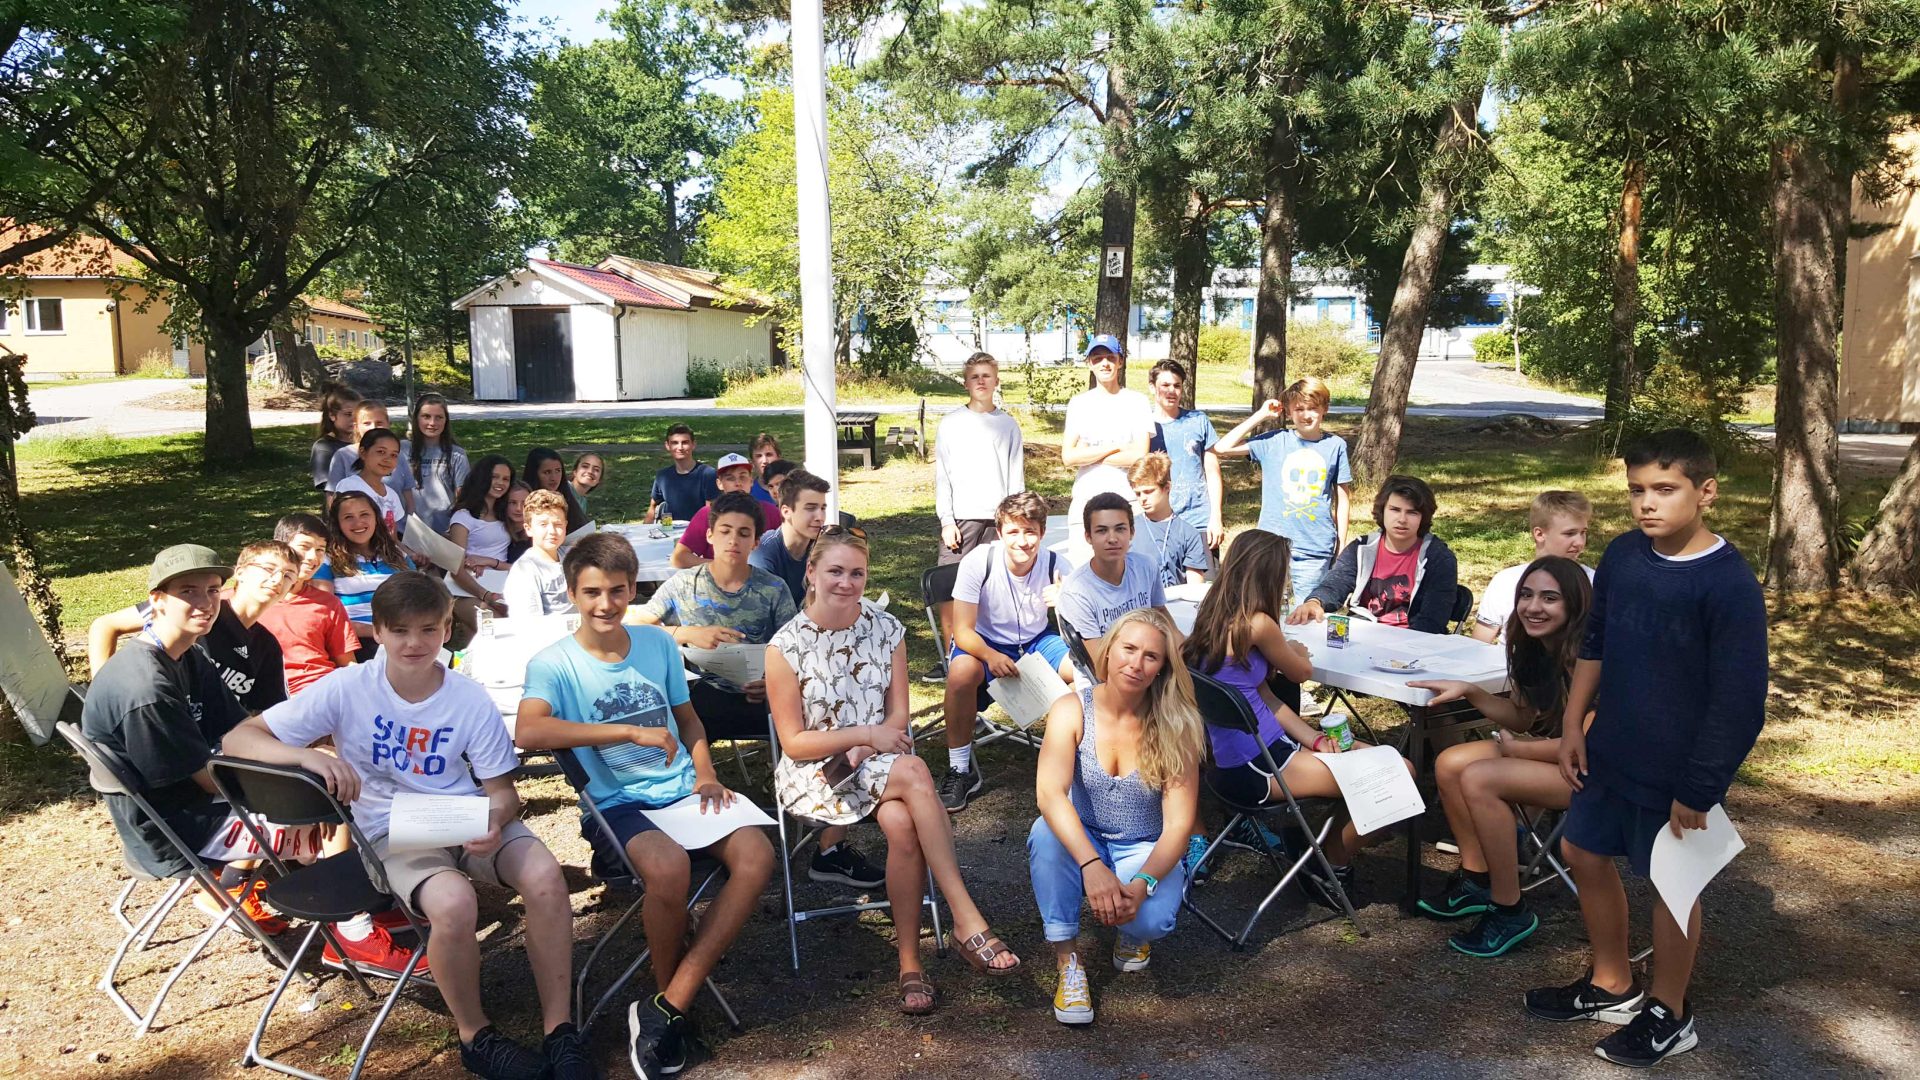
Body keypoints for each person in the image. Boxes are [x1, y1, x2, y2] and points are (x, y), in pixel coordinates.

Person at [223, 572, 588, 1079]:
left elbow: (503, 792)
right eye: (399, 631)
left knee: (546, 878)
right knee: (453, 902)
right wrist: (308, 757)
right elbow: (240, 739)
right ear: (377, 631)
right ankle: (476, 1036)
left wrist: (496, 819)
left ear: (446, 630)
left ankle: (559, 1029)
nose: (414, 643)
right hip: (391, 827)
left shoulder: (468, 697)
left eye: (428, 630)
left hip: (464, 816)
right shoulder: (349, 686)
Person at [1523, 429, 1767, 1068]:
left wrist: (1701, 786)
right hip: (1611, 748)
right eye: (1636, 490)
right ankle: (1612, 985)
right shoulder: (1625, 555)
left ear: (1705, 492)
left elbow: (1740, 701)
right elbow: (1597, 641)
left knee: (1672, 882)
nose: (1647, 504)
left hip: (1678, 767)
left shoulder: (1728, 584)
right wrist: (1572, 725)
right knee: (1581, 849)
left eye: (1665, 489)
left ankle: (1669, 1012)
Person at [85, 545, 417, 973]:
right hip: (179, 829)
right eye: (188, 592)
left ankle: (367, 894)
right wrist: (301, 774)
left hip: (190, 801)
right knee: (335, 804)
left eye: (211, 590)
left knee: (326, 783)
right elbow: (208, 780)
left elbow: (240, 728)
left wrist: (303, 755)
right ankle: (352, 931)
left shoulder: (186, 654)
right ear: (157, 600)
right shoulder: (145, 688)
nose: (205, 603)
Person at [514, 534, 774, 1079]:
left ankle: (666, 1007)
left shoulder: (656, 644)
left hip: (682, 791)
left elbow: (689, 721)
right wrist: (625, 731)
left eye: (617, 590)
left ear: (633, 589)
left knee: (758, 855)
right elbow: (529, 730)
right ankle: (667, 997)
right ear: (571, 593)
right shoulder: (553, 663)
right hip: (618, 804)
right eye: (591, 592)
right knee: (669, 867)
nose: (605, 603)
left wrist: (707, 775)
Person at [766, 527, 1022, 1015]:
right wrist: (864, 737)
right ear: (812, 573)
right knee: (915, 772)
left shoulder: (886, 629)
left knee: (903, 821)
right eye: (835, 571)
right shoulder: (785, 647)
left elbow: (898, 715)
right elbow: (794, 743)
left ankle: (910, 965)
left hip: (878, 762)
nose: (847, 583)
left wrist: (869, 746)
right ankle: (965, 916)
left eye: (857, 573)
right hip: (816, 776)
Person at [1184, 530, 1412, 907]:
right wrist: (1295, 649)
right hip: (1259, 767)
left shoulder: (1214, 619)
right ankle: (1327, 864)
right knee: (1399, 774)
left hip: (1247, 760)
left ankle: (1312, 847)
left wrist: (1315, 740)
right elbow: (1301, 673)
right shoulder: (1258, 624)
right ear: (1269, 575)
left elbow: (1268, 699)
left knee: (1386, 762)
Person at [1029, 608, 1203, 1026]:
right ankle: (1068, 961)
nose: (1136, 663)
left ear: (1162, 668)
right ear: (1108, 652)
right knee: (1045, 833)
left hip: (1143, 843)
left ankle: (1132, 932)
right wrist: (1091, 865)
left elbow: (1179, 825)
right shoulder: (1072, 709)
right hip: (1084, 835)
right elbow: (1049, 794)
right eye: (1128, 649)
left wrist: (1142, 884)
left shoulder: (1176, 723)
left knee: (1152, 920)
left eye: (1150, 656)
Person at [1410, 556, 1592, 956]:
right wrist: (1472, 692)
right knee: (1450, 763)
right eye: (1526, 595)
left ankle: (1509, 908)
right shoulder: (1531, 645)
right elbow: (1523, 717)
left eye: (1549, 598)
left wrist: (1520, 750)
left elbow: (1589, 745)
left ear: (1575, 604)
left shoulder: (1590, 657)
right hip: (1550, 753)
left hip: (1592, 770)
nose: (1533, 607)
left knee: (1480, 778)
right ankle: (1476, 877)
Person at [937, 492, 1072, 813]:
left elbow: (1085, 628)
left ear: (1042, 532)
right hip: (985, 641)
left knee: (1082, 670)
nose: (1022, 541)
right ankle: (959, 769)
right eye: (1013, 532)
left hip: (1037, 641)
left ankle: (1076, 764)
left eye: (1030, 532)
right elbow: (962, 631)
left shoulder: (1057, 564)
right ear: (999, 533)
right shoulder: (979, 561)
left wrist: (1067, 600)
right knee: (961, 672)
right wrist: (990, 656)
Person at [635, 491, 798, 743]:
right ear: (710, 535)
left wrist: (773, 683)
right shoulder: (684, 583)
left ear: (756, 542)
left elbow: (796, 648)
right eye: (725, 531)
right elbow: (635, 626)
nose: (733, 540)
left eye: (744, 533)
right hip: (703, 694)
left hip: (763, 695)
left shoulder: (773, 588)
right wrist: (687, 633)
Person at [87, 541, 297, 716]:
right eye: (268, 569)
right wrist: (103, 693)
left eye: (288, 575)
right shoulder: (192, 610)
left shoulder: (266, 645)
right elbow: (105, 625)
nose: (278, 579)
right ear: (240, 573)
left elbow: (266, 712)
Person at [930, 351, 1026, 683]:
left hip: (998, 520)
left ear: (996, 381)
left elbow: (1016, 477)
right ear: (965, 383)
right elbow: (943, 476)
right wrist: (947, 520)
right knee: (950, 588)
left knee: (994, 588)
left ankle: (992, 651)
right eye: (975, 377)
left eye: (987, 376)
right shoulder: (952, 423)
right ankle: (951, 656)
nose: (981, 382)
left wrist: (1014, 520)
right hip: (961, 519)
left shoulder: (1008, 425)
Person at [1215, 376, 1351, 605]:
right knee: (1265, 610)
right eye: (1299, 409)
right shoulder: (1274, 441)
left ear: (1324, 409)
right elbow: (1222, 447)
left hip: (1315, 547)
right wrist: (1261, 415)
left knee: (1309, 613)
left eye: (1313, 408)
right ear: (1288, 411)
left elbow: (1343, 498)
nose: (1306, 415)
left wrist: (1342, 543)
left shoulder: (1335, 446)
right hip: (1271, 545)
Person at [1286, 474, 1458, 635]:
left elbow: (1433, 620)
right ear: (1382, 511)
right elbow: (1335, 584)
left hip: (1414, 641)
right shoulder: (1361, 548)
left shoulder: (1439, 559)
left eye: (1412, 512)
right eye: (1395, 509)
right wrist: (1315, 602)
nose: (1402, 519)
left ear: (1423, 517)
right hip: (1364, 633)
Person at [1061, 335, 1152, 547]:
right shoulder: (1079, 404)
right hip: (1086, 499)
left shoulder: (1137, 402)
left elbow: (1140, 456)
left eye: (1110, 357)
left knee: (1129, 564)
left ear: (1120, 361)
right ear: (1089, 364)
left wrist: (1088, 453)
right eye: (1097, 358)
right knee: (1082, 564)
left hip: (1128, 500)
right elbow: (1068, 457)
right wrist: (1117, 447)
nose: (1104, 363)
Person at [1058, 492, 1169, 659]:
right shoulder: (1076, 592)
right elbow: (1099, 662)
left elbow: (1161, 613)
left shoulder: (1147, 566)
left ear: (1132, 532)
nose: (1112, 539)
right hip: (1108, 669)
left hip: (1148, 658)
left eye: (1120, 529)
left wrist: (1179, 649)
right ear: (1088, 537)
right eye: (1102, 531)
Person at [257, 514, 359, 696]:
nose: (313, 557)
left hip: (323, 692)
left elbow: (347, 663)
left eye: (320, 550)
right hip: (271, 695)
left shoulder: (328, 603)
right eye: (304, 547)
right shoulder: (249, 599)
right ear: (281, 547)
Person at [1472, 491, 1593, 643]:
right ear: (1539, 534)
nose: (1580, 542)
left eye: (1583, 533)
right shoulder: (1506, 581)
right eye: (1569, 534)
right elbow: (1479, 642)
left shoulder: (1594, 581)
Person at [314, 491, 417, 658]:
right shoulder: (328, 560)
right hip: (357, 641)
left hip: (405, 634)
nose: (358, 522)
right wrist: (381, 633)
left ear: (376, 518)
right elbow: (326, 616)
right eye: (348, 517)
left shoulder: (396, 554)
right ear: (337, 524)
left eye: (364, 514)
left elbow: (420, 595)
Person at [1144, 359, 1224, 549]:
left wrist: (1216, 517)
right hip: (1157, 522)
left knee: (1206, 571)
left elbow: (1212, 471)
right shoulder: (1143, 428)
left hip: (1199, 521)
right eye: (1165, 385)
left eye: (1177, 385)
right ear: (1152, 387)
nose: (1171, 391)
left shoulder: (1198, 420)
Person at [670, 453, 780, 569]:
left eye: (742, 477)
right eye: (730, 478)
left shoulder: (770, 511)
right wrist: (722, 565)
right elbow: (679, 558)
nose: (738, 483)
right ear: (719, 484)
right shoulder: (707, 514)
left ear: (751, 481)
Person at [1128, 453, 1210, 588]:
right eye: (1138, 493)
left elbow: (1195, 585)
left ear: (1167, 488)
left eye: (1148, 491)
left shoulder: (1188, 532)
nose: (1142, 498)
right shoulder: (1128, 529)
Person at [750, 468, 830, 604]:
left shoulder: (824, 547)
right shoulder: (763, 553)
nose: (820, 517)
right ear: (786, 512)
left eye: (823, 508)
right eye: (810, 508)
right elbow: (764, 609)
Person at [327, 399, 415, 507]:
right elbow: (332, 495)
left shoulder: (397, 454)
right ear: (356, 427)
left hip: (395, 517)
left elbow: (407, 491)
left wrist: (410, 513)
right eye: (367, 423)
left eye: (379, 423)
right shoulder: (343, 456)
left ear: (388, 424)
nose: (373, 427)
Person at [503, 489, 574, 617]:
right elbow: (530, 622)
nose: (552, 531)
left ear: (565, 525)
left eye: (558, 524)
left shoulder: (573, 557)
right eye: (543, 524)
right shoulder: (525, 571)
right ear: (528, 529)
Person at [407, 393, 469, 535]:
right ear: (416, 418)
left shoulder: (457, 454)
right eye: (426, 416)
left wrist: (454, 529)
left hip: (444, 530)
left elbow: (462, 497)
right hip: (409, 530)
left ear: (446, 420)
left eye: (439, 417)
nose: (432, 423)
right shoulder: (402, 450)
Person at [336, 428, 410, 540]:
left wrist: (406, 551)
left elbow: (393, 539)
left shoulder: (392, 495)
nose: (387, 459)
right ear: (363, 453)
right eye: (381, 452)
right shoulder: (349, 487)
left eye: (394, 455)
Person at [448, 455, 516, 576]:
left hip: (504, 579)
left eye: (506, 479)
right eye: (494, 477)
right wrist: (482, 591)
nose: (500, 482)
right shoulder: (463, 517)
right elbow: (457, 569)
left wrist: (489, 562)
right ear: (481, 478)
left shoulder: (505, 513)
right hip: (474, 580)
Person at [647, 424, 717, 525]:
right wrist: (644, 531)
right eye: (675, 443)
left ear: (693, 444)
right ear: (667, 445)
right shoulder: (663, 476)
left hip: (698, 530)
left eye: (685, 442)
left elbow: (710, 513)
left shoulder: (708, 474)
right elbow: (652, 508)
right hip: (669, 528)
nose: (680, 447)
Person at [524, 447, 590, 534]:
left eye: (558, 471)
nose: (554, 478)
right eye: (547, 472)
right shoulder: (524, 499)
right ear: (534, 474)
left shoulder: (567, 496)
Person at [310, 383, 361, 496]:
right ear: (332, 415)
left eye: (358, 414)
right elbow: (330, 490)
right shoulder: (324, 447)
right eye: (348, 414)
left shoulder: (367, 443)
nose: (354, 419)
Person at [502, 481, 532, 563]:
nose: (518, 508)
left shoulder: (536, 534)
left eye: (524, 503)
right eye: (513, 503)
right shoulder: (497, 530)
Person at [569, 452, 605, 518]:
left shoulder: (583, 501)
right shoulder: (563, 490)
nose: (590, 471)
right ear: (575, 471)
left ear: (599, 480)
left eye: (596, 470)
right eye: (585, 466)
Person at [747, 432, 781, 502]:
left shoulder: (792, 489)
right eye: (759, 456)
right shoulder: (749, 493)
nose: (765, 461)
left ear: (779, 458)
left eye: (769, 455)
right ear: (752, 462)